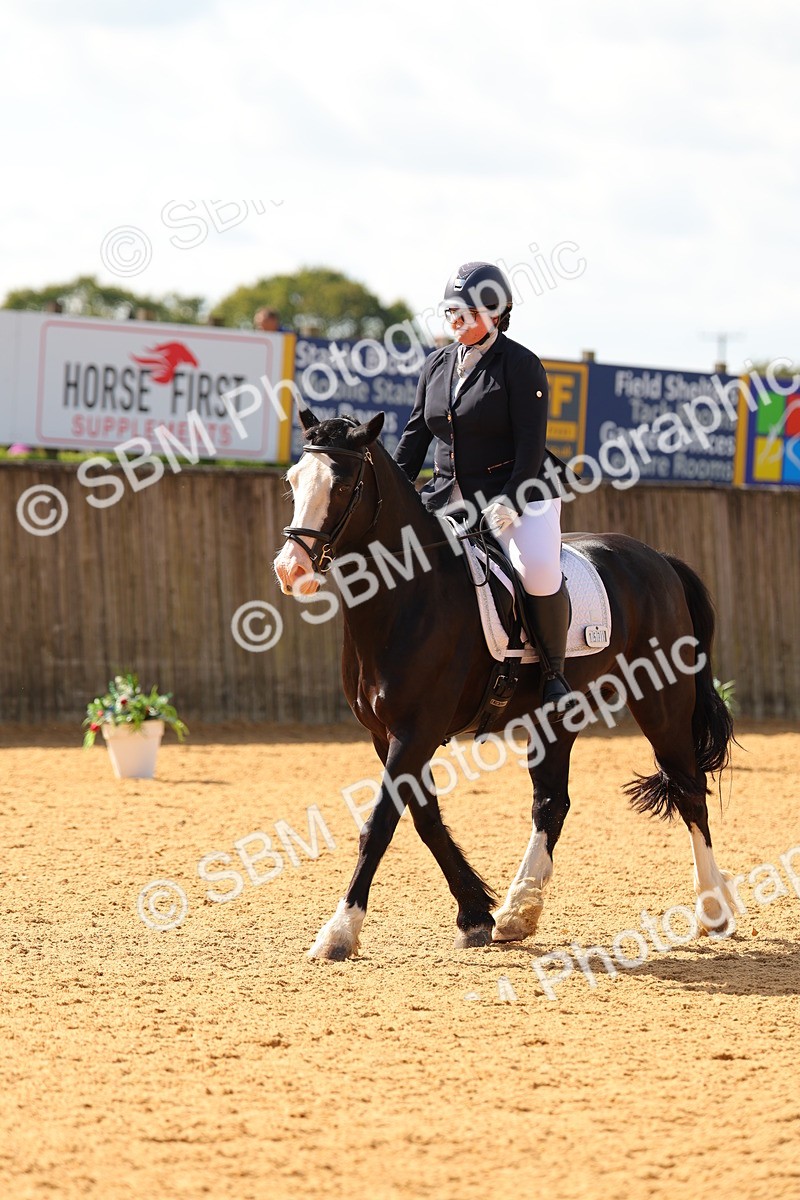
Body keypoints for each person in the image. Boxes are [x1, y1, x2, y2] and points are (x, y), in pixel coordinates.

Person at [393, 260, 574, 708]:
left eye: (465, 313)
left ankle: (554, 674)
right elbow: (415, 437)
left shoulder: (521, 365)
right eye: (450, 311)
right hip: (447, 497)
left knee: (536, 569)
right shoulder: (436, 364)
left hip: (518, 493)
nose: (455, 320)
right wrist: (393, 491)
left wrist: (511, 500)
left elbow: (531, 445)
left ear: (494, 314)